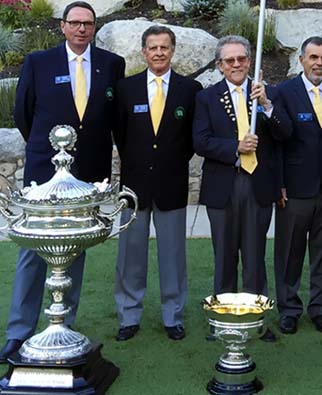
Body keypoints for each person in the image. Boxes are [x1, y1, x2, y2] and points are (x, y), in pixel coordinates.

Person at [1, 1, 125, 362]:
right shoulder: (39, 63)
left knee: (75, 249)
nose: (82, 29)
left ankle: (63, 325)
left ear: (94, 27)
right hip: (44, 173)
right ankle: (19, 331)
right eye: (75, 23)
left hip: (86, 175)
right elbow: (23, 113)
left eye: (88, 23)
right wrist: (46, 149)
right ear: (62, 26)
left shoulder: (111, 64)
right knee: (32, 253)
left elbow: (111, 117)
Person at [192, 35, 291, 342]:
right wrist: (235, 147)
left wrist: (266, 105)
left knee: (254, 254)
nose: (237, 65)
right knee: (224, 254)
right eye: (230, 60)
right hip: (224, 184)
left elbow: (285, 134)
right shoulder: (207, 98)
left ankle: (255, 318)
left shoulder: (267, 94)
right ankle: (223, 319)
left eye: (242, 59)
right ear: (220, 65)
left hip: (259, 185)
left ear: (250, 61)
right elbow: (201, 141)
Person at [112, 26, 202, 342]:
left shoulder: (190, 89)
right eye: (153, 47)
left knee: (173, 255)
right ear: (144, 51)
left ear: (173, 50)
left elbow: (191, 139)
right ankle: (128, 315)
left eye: (164, 47)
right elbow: (120, 136)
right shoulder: (126, 89)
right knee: (130, 254)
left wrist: (168, 161)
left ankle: (172, 315)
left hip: (171, 184)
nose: (159, 53)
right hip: (134, 187)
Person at [273, 36, 322, 335]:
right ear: (301, 60)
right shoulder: (284, 92)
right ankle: (288, 309)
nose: (319, 63)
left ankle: (320, 309)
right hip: (295, 189)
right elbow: (275, 142)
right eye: (314, 57)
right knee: (289, 252)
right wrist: (279, 183)